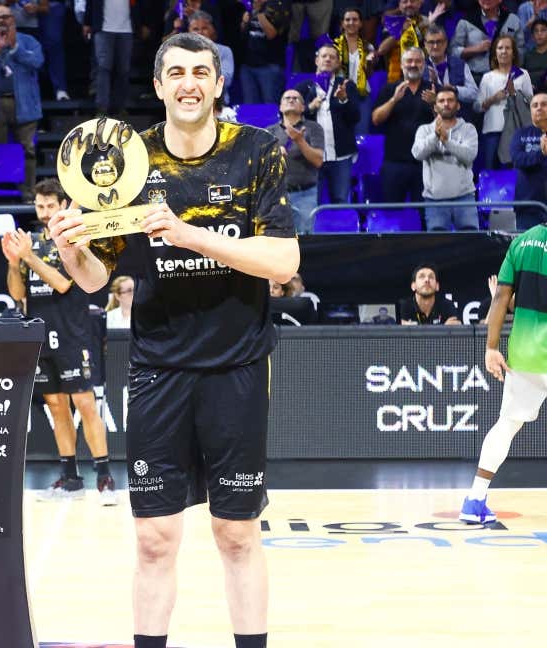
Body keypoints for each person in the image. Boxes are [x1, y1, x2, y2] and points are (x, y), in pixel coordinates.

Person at [47, 33, 299, 648]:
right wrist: (69, 246)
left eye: (201, 72)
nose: (189, 83)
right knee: (155, 539)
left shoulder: (258, 151)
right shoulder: (130, 164)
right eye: (176, 73)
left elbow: (284, 262)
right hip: (158, 369)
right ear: (158, 86)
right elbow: (95, 277)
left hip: (237, 367)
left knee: (236, 534)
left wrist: (191, 237)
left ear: (217, 85)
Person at [4, 179, 116, 505]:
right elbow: (18, 294)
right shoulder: (31, 243)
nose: (44, 212)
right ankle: (70, 479)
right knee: (56, 406)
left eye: (50, 206)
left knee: (84, 404)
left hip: (73, 335)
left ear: (63, 205)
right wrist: (15, 261)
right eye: (39, 206)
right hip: (42, 335)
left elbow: (63, 284)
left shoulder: (73, 238)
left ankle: (105, 478)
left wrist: (29, 258)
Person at [460, 220, 547, 524]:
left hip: (526, 352)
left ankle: (474, 499)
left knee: (506, 426)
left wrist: (491, 347)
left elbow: (501, 298)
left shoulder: (522, 242)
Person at [0, 3, 43, 199]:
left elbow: (37, 61)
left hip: (25, 105)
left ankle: (29, 194)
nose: (2, 21)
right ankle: (1, 194)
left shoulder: (28, 41)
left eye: (6, 17)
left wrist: (14, 48)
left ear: (13, 20)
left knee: (28, 150)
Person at [294, 45, 361, 206]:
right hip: (311, 156)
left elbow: (355, 118)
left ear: (338, 63)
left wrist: (344, 100)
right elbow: (293, 121)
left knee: (340, 201)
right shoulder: (303, 88)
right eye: (324, 56)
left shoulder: (346, 86)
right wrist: (309, 108)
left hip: (340, 156)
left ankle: (342, 231)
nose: (328, 59)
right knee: (311, 202)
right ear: (317, 60)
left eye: (332, 57)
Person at [372, 47, 437, 204]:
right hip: (394, 162)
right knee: (392, 215)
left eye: (418, 61)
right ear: (401, 65)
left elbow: (446, 125)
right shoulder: (389, 89)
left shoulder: (434, 90)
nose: (413, 64)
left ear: (424, 65)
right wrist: (394, 100)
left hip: (426, 163)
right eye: (409, 61)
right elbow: (376, 119)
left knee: (424, 216)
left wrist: (435, 104)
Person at [412, 86, 480, 231]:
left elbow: (469, 156)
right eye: (441, 101)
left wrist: (446, 142)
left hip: (464, 198)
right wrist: (435, 136)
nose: (446, 104)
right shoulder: (424, 130)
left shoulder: (468, 129)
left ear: (458, 105)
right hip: (435, 201)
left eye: (450, 100)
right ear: (435, 107)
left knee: (471, 245)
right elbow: (417, 154)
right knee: (437, 248)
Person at [267, 89, 324, 234]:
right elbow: (260, 166)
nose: (291, 100)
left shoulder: (313, 128)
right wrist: (274, 154)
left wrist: (299, 141)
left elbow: (318, 161)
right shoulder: (269, 132)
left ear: (303, 107)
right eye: (287, 98)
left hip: (305, 194)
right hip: (276, 196)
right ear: (280, 107)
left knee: (305, 238)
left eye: (295, 98)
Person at [475, 35, 532, 170]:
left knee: (517, 172)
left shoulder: (523, 74)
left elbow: (531, 103)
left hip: (517, 130)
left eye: (508, 48)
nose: (504, 51)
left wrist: (515, 94)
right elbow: (477, 106)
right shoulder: (487, 77)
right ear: (495, 53)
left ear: (513, 53)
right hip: (493, 131)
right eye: (500, 48)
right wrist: (492, 99)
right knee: (492, 171)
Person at [511, 91, 547, 229]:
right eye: (535, 105)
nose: (539, 108)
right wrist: (541, 154)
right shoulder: (521, 134)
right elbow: (518, 160)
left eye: (544, 104)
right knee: (529, 248)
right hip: (528, 205)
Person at [398, 263, 462, 324]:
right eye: (421, 277)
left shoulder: (447, 305)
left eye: (431, 277)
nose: (427, 280)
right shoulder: (402, 306)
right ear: (413, 286)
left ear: (437, 286)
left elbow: (456, 328)